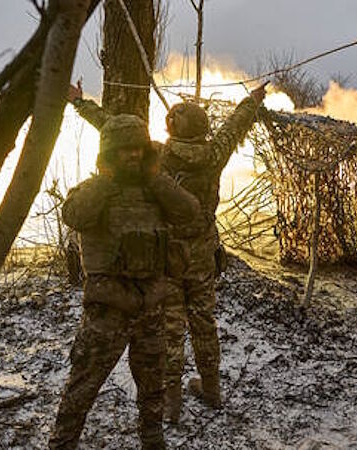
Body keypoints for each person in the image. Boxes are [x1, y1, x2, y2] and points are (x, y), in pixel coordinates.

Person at [66, 82, 266, 423]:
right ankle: (212, 389)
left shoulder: (156, 154)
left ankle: (172, 403)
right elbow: (236, 124)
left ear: (171, 129)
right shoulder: (216, 153)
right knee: (204, 321)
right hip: (203, 254)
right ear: (203, 130)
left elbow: (112, 127)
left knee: (171, 328)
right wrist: (252, 100)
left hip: (168, 257)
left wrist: (81, 103)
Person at [49, 114, 200, 450]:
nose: (132, 155)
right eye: (124, 150)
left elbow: (189, 211)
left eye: (137, 149)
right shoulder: (95, 189)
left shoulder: (157, 188)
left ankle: (152, 438)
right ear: (110, 152)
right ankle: (62, 443)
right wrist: (106, 179)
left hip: (150, 305)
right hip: (108, 310)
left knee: (152, 385)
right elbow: (74, 215)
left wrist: (156, 178)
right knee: (83, 385)